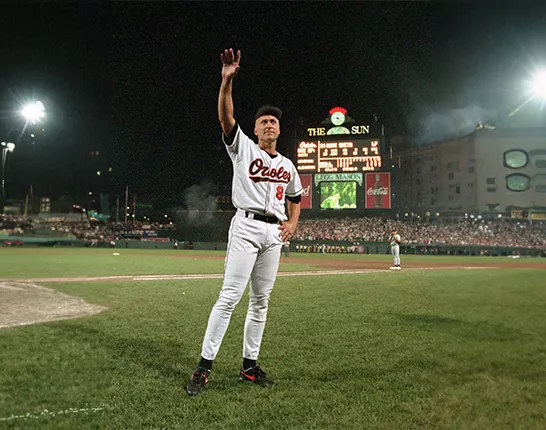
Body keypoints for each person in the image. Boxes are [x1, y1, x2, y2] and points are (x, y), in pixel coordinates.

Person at [186, 48, 303, 396]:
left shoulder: (287, 165)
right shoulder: (243, 148)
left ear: (279, 130)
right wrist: (226, 81)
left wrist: (293, 224)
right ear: (254, 129)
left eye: (275, 121)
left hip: (274, 234)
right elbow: (226, 116)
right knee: (229, 297)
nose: (270, 124)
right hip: (247, 226)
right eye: (264, 121)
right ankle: (204, 367)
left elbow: (296, 198)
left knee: (261, 301)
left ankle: (249, 366)